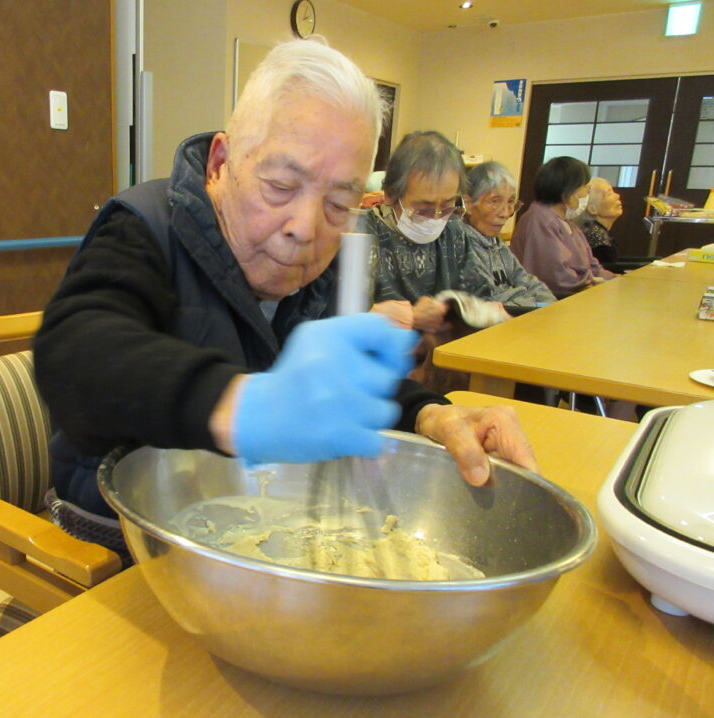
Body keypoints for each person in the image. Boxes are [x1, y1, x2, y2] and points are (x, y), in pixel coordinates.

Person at [34, 39, 536, 548]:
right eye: (279, 186)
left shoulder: (326, 265)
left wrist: (431, 413)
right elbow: (75, 357)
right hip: (115, 544)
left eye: (338, 204)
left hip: (251, 532)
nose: (306, 228)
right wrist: (246, 404)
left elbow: (336, 387)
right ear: (220, 163)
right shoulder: (143, 226)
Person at [363, 131, 501, 333]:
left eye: (446, 206)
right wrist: (409, 317)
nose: (436, 218)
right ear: (390, 196)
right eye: (423, 208)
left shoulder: (454, 231)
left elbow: (480, 294)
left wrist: (483, 313)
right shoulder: (362, 234)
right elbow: (343, 320)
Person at [510, 157, 615, 296]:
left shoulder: (567, 223)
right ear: (568, 190)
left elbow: (593, 267)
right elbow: (555, 276)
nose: (586, 193)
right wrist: (591, 282)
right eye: (584, 187)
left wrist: (616, 280)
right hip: (550, 299)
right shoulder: (540, 220)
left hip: (577, 293)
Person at [462, 161, 555, 309]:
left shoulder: (496, 242)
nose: (505, 213)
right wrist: (533, 304)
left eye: (511, 202)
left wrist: (548, 303)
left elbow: (526, 280)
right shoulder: (461, 245)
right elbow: (489, 301)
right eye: (495, 201)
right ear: (468, 203)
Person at [576, 177, 623, 273]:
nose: (617, 196)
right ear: (592, 209)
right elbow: (610, 271)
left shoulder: (594, 228)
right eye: (609, 194)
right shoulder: (597, 235)